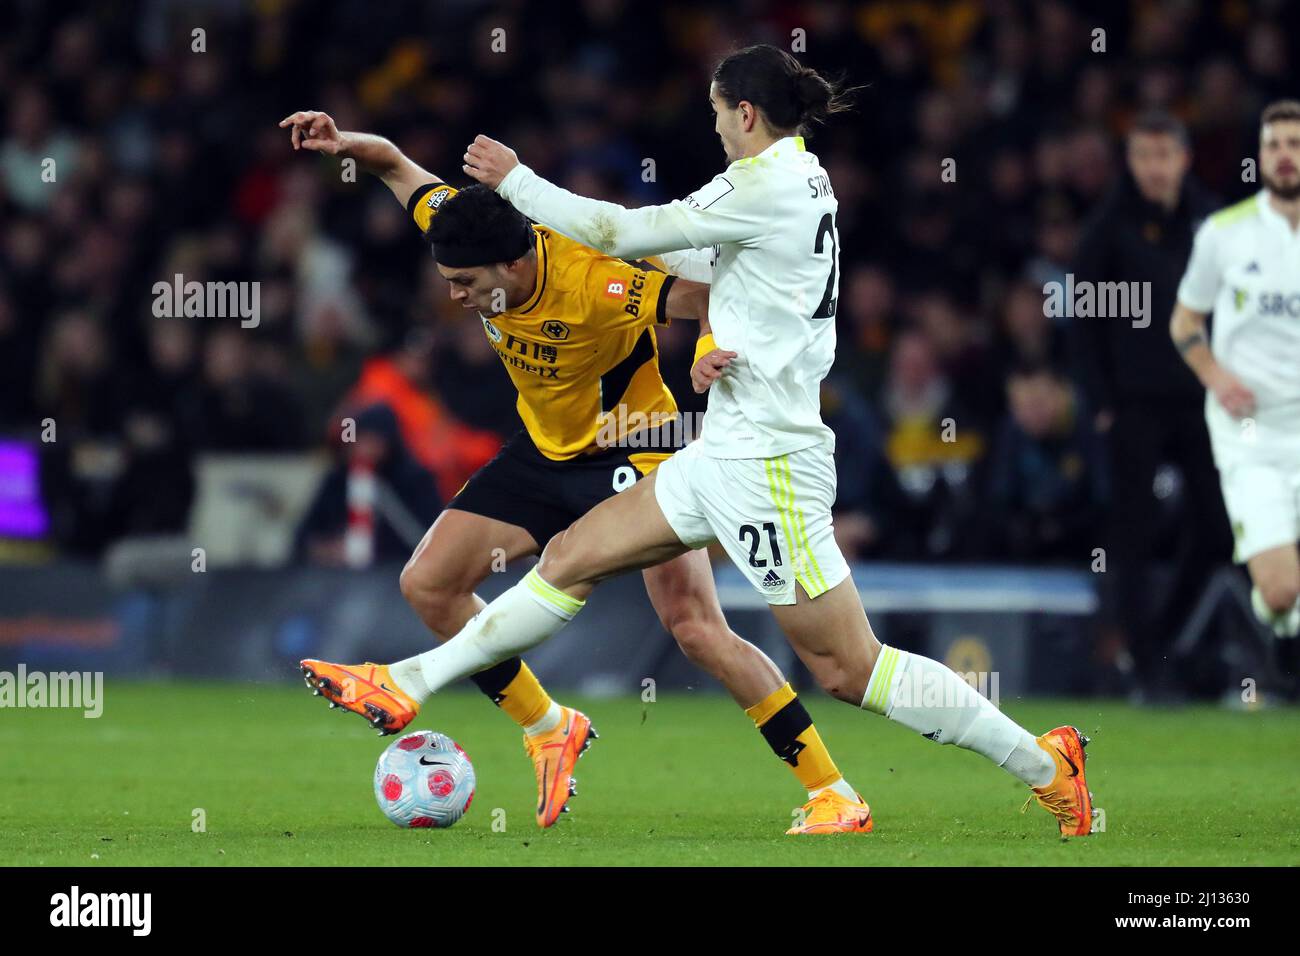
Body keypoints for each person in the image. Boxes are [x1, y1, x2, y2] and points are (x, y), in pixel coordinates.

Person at [362, 45, 1100, 837]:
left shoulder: (767, 184)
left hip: (772, 463)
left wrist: (517, 182)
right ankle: (410, 678)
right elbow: (693, 251)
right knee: (569, 557)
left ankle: (1046, 765)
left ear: (744, 113)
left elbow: (628, 228)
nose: (714, 128)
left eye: (717, 113)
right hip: (722, 450)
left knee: (849, 668)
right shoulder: (797, 178)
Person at [280, 110, 869, 834]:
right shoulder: (466, 229)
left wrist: (710, 346)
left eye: (467, 283)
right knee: (428, 584)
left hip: (636, 449)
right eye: (448, 281)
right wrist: (346, 145)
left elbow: (712, 290)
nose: (456, 297)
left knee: (694, 629)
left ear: (516, 265)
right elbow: (399, 167)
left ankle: (830, 786)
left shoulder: (596, 281)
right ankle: (550, 726)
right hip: (543, 451)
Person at [1072, 110, 1231, 699]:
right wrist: (1101, 403)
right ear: (1131, 161)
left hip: (1201, 398)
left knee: (1219, 528)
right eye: (1144, 156)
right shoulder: (1107, 229)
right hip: (1134, 404)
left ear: (1184, 158)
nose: (1155, 168)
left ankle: (1163, 641)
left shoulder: (1211, 222)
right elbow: (1082, 325)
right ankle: (1146, 663)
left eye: (1165, 155)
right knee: (1132, 536)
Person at [1170, 100, 1300, 665]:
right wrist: (1216, 377)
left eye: (1294, 144)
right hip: (1250, 432)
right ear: (1260, 157)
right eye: (1274, 145)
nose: (1284, 156)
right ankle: (1280, 614)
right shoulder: (1225, 234)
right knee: (1280, 589)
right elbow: (1184, 322)